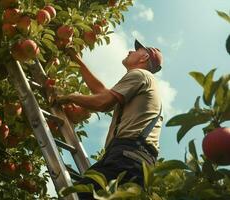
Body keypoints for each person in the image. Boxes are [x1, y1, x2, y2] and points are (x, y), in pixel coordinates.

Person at [57, 39, 163, 199]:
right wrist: (75, 58)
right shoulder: (144, 81)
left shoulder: (140, 75)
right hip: (135, 161)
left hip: (127, 159)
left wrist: (69, 97)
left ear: (144, 57)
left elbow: (103, 102)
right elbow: (101, 91)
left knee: (79, 196)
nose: (130, 51)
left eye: (136, 50)